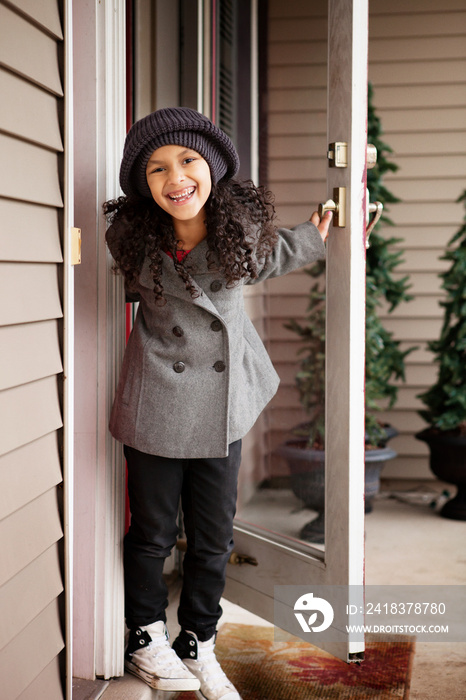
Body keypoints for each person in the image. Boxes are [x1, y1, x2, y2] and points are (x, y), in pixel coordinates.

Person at [104, 107, 332, 700]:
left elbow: (278, 253)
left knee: (213, 537)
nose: (174, 178)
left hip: (224, 403)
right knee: (152, 532)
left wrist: (322, 233)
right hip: (156, 398)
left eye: (187, 161)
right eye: (156, 169)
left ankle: (197, 642)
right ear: (143, 185)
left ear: (211, 169)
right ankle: (144, 636)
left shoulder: (238, 239)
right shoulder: (133, 242)